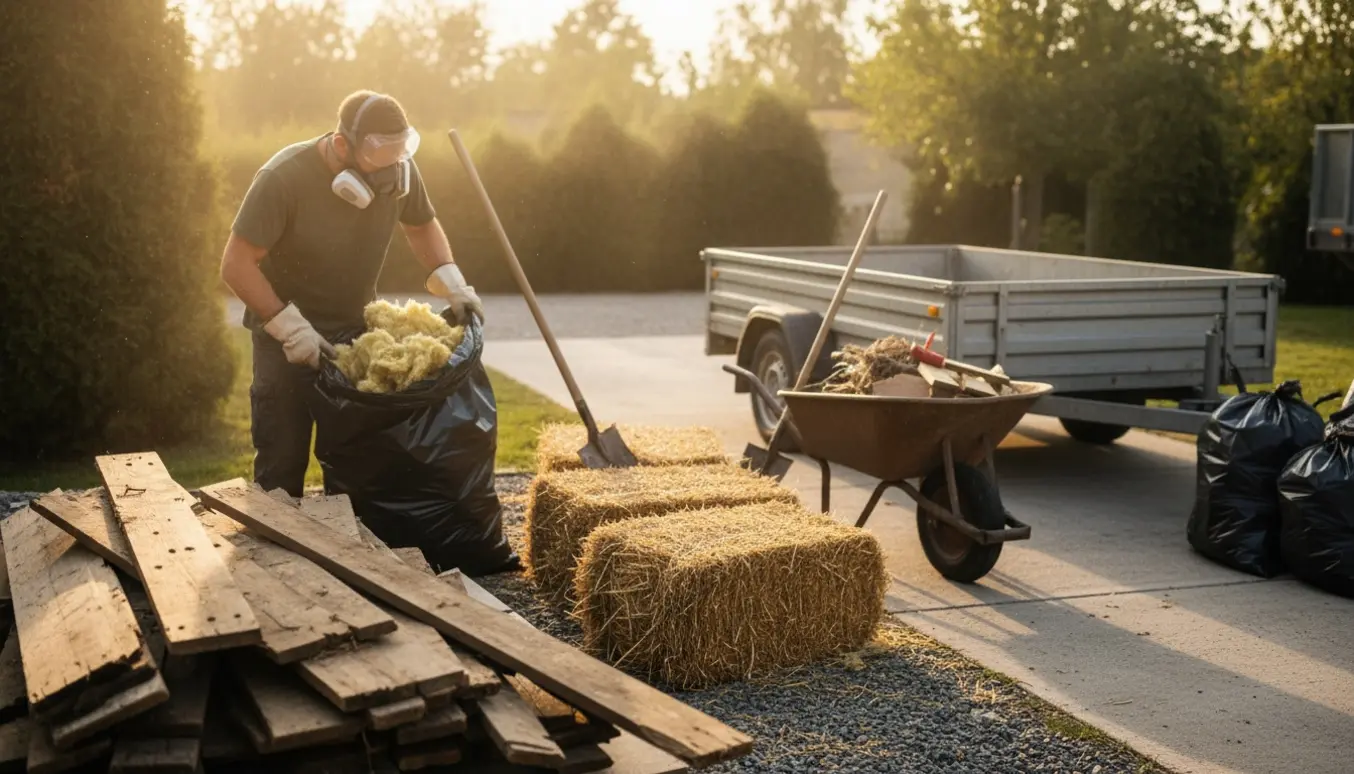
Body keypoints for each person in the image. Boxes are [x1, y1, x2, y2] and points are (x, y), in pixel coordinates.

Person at [220, 90, 483, 497]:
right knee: (281, 466)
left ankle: (351, 557)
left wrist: (451, 282)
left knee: (357, 467)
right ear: (342, 144)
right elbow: (236, 264)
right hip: (283, 343)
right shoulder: (283, 178)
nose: (389, 168)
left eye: (399, 151)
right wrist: (292, 329)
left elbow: (421, 225)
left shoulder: (401, 172)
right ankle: (279, 552)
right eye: (379, 154)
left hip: (356, 339)